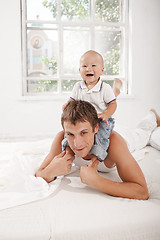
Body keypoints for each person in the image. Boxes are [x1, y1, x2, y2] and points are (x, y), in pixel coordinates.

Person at [36, 100, 160, 200]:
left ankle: (152, 115)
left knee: (143, 133)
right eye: (70, 134)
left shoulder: (115, 143)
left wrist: (96, 181)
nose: (76, 143)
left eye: (83, 133)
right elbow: (40, 173)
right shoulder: (62, 139)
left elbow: (142, 192)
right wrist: (50, 172)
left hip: (127, 137)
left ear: (96, 128)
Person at [62, 50, 122, 161]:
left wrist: (106, 114)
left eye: (93, 66)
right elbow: (72, 100)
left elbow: (112, 104)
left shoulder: (104, 88)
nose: (88, 69)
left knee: (101, 136)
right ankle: (68, 152)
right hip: (84, 119)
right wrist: (67, 105)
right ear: (80, 70)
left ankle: (96, 158)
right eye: (84, 66)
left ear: (102, 70)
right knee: (70, 130)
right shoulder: (78, 86)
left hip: (99, 118)